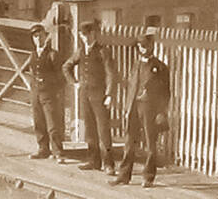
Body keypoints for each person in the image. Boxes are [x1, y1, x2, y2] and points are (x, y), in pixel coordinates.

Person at [112, 31, 170, 187]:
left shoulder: (160, 67)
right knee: (129, 142)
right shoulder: (136, 65)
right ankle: (123, 176)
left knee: (151, 144)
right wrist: (126, 108)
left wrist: (161, 112)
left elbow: (166, 93)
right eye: (140, 46)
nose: (143, 49)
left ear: (152, 45)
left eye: (145, 46)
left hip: (150, 109)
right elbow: (131, 87)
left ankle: (148, 177)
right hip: (133, 108)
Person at [63, 20, 116, 173]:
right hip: (85, 95)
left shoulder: (102, 51)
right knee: (90, 129)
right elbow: (66, 66)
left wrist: (109, 94)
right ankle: (94, 161)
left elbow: (111, 74)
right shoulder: (80, 51)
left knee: (103, 130)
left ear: (93, 33)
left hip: (100, 96)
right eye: (82, 35)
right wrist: (74, 83)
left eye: (87, 34)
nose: (85, 38)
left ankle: (109, 164)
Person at [26, 24, 67, 161]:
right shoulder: (32, 54)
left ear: (46, 36)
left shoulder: (52, 54)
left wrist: (56, 91)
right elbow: (31, 72)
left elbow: (61, 76)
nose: (38, 39)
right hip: (36, 92)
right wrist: (32, 88)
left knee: (52, 124)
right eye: (35, 37)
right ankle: (43, 149)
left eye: (41, 36)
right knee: (38, 122)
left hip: (49, 94)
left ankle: (58, 152)